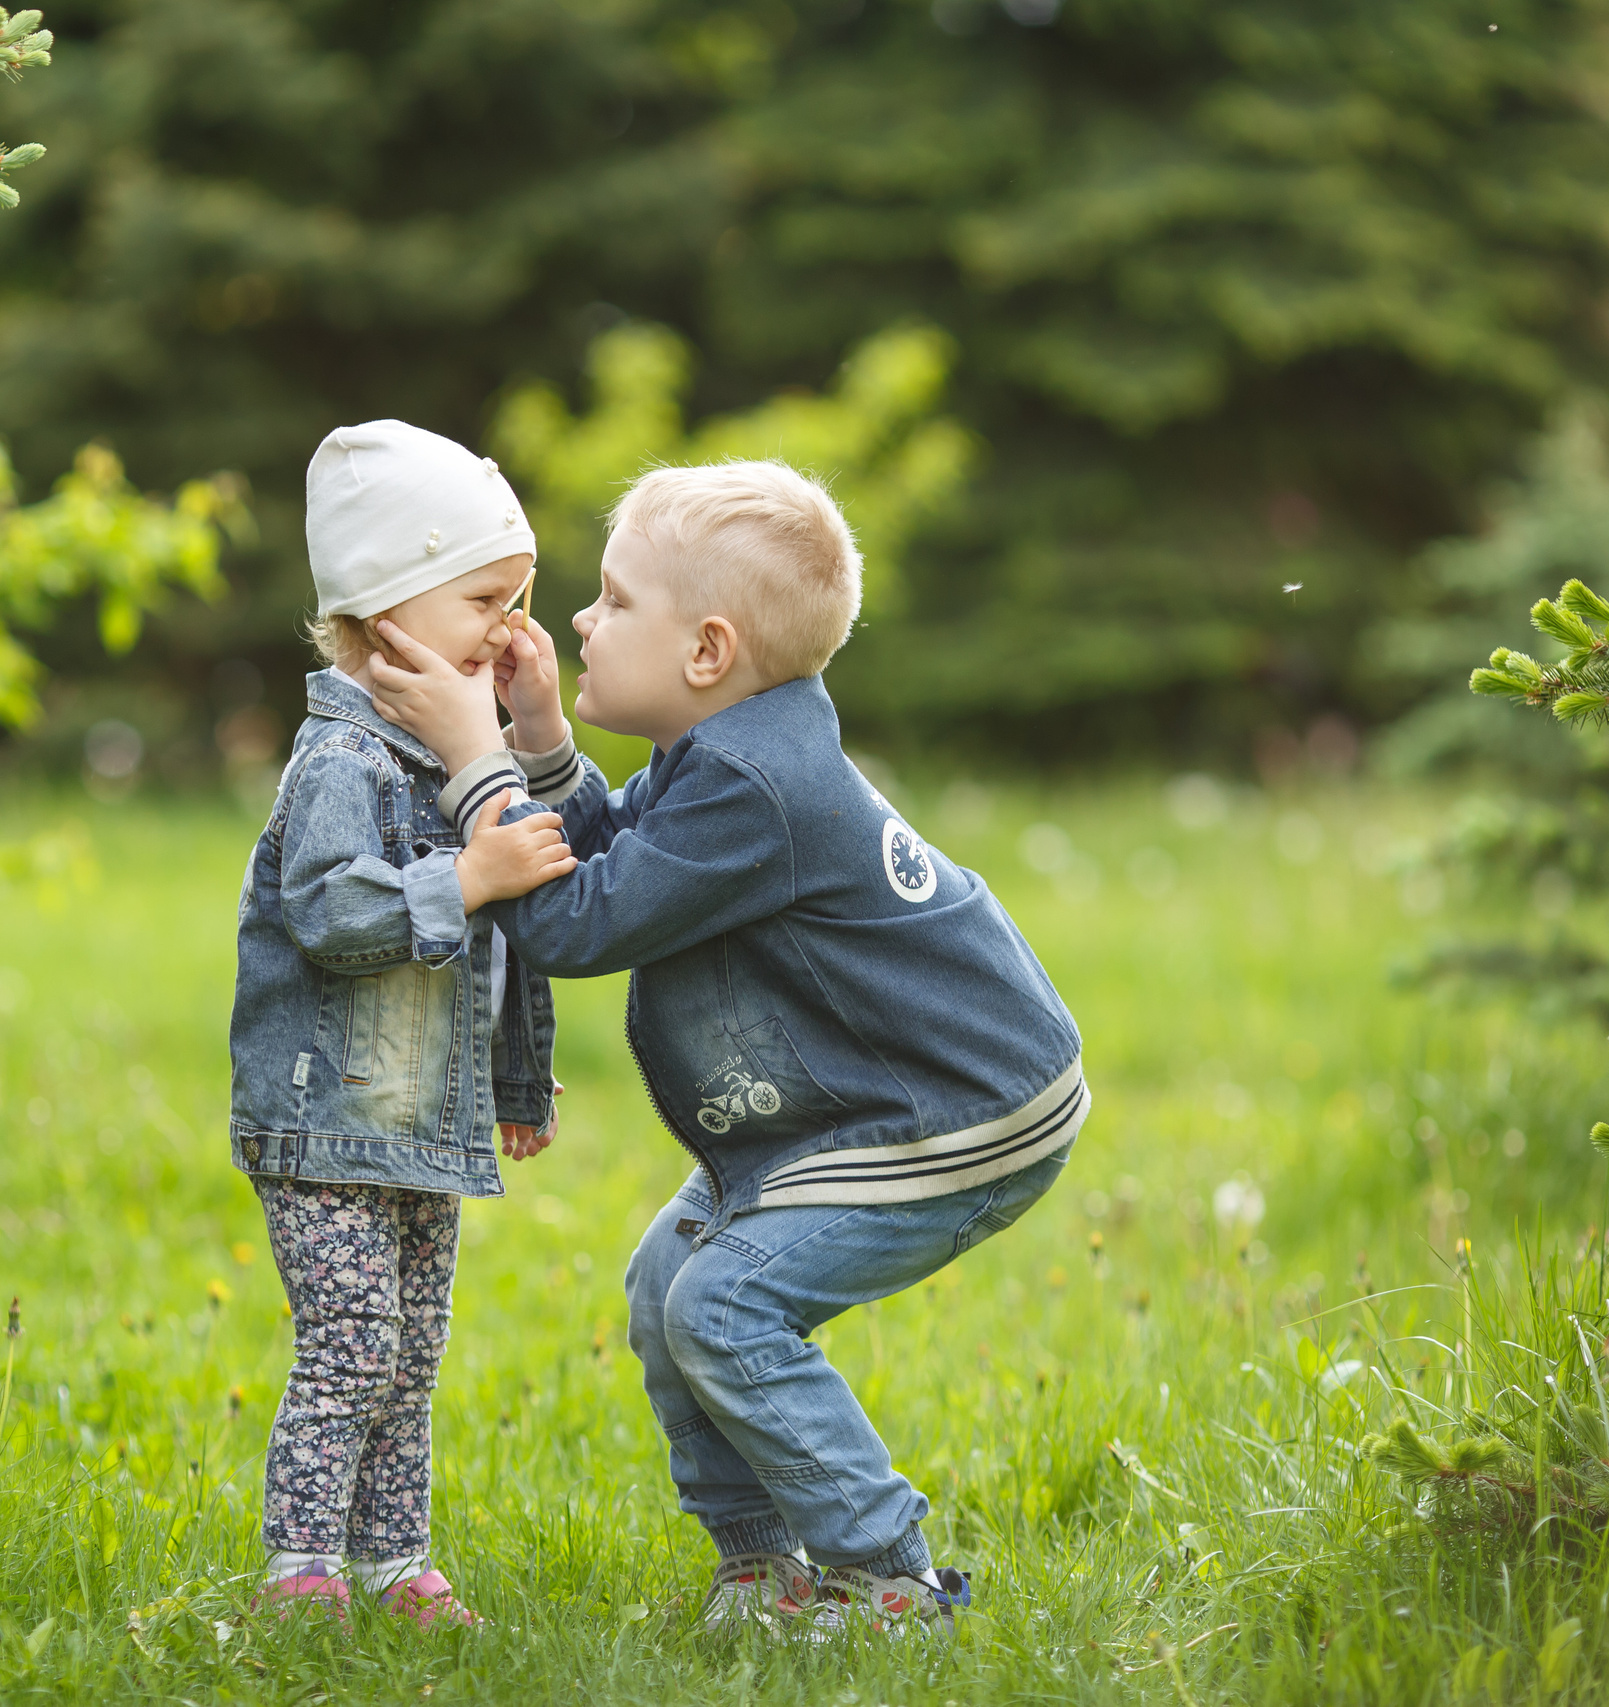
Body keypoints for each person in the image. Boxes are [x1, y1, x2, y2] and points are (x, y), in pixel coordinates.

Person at [363, 460, 1085, 1640]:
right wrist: (540, 739)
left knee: (724, 1307)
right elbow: (608, 861)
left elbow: (571, 919)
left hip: (956, 1104)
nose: (580, 622)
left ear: (705, 651)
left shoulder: (754, 781)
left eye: (612, 600)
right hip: (861, 1092)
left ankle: (888, 1580)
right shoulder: (733, 747)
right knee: (667, 1287)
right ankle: (764, 1566)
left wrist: (472, 760)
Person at [228, 420, 578, 1628]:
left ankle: (393, 1563)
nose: (511, 624)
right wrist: (462, 882)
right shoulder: (341, 761)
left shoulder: (450, 751)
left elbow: (532, 891)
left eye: (519, 597)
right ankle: (303, 1571)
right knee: (350, 1344)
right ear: (389, 617)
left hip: (420, 1120)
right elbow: (327, 914)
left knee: (413, 1353)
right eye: (486, 596)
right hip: (327, 1122)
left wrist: (531, 732)